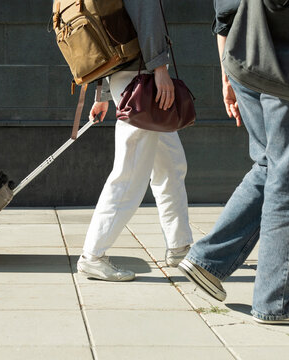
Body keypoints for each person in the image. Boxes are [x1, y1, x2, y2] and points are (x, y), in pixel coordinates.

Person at [178, 0, 289, 325]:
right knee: (288, 183)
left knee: (271, 169)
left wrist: (226, 76)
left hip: (242, 65)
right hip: (284, 67)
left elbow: (223, 15)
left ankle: (207, 260)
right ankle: (277, 301)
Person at [76, 0, 193, 281]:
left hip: (127, 78)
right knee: (129, 174)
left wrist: (103, 95)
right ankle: (93, 255)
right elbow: (147, 15)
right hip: (142, 79)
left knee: (170, 165)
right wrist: (160, 69)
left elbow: (110, 28)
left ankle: (179, 246)